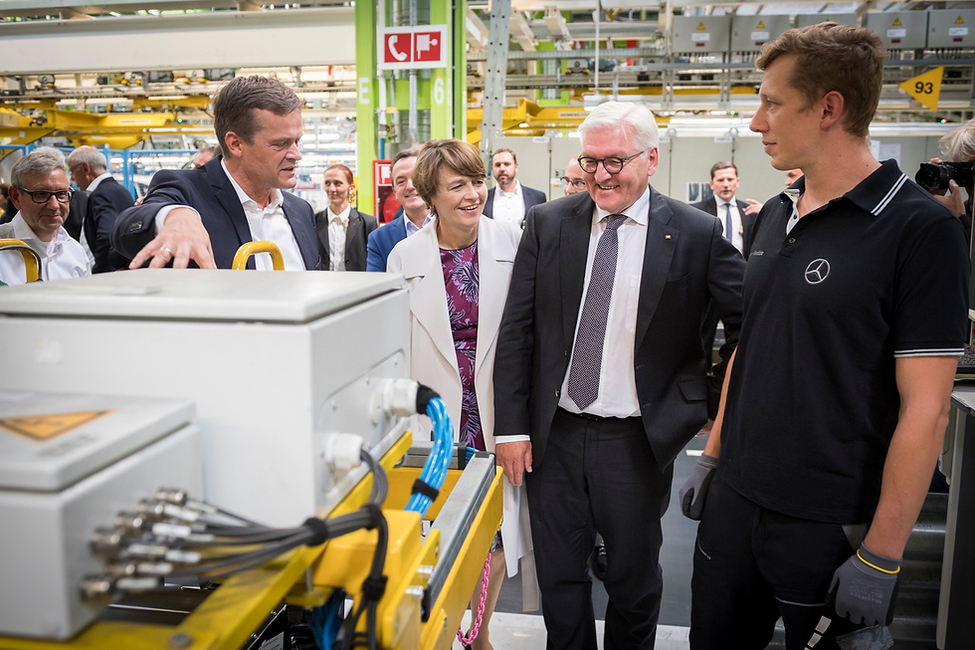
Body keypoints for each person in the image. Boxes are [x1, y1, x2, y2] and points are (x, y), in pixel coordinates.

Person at [681, 23, 969, 649]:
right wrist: (714, 453)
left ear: (830, 107)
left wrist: (883, 554)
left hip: (831, 523)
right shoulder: (776, 214)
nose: (758, 122)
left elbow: (928, 408)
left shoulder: (918, 231)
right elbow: (748, 345)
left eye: (773, 102)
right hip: (735, 502)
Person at [493, 101, 745, 650]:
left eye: (615, 161)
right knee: (559, 576)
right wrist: (511, 428)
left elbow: (749, 321)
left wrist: (701, 398)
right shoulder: (550, 221)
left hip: (636, 439)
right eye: (590, 161)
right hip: (553, 434)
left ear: (651, 159)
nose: (600, 175)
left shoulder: (695, 233)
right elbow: (518, 330)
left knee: (632, 580)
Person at [386, 139, 534, 650]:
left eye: (477, 182)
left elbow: (530, 334)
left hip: (498, 409)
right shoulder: (404, 256)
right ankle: (445, 628)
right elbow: (394, 349)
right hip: (438, 416)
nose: (473, 194)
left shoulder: (513, 242)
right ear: (429, 195)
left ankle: (483, 632)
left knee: (492, 529)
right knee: (441, 528)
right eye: (458, 186)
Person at [110, 75, 320, 271]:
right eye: (280, 144)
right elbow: (123, 229)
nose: (296, 154)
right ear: (236, 144)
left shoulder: (301, 211)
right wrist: (173, 215)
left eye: (296, 141)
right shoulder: (188, 193)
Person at [0, 148, 90, 285]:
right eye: (41, 194)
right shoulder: (3, 250)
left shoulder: (75, 252)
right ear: (16, 197)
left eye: (61, 194)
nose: (54, 205)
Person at [67, 146, 134, 273]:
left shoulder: (100, 194)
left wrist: (100, 271)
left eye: (72, 171)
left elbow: (106, 236)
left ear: (85, 168)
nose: (72, 178)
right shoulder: (121, 191)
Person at [366, 148, 433, 272]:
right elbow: (377, 287)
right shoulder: (379, 239)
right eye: (401, 181)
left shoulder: (454, 227)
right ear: (394, 191)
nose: (410, 186)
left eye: (416, 178)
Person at [314, 164, 377, 271]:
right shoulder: (313, 222)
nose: (332, 189)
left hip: (357, 285)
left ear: (351, 188)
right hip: (323, 285)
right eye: (327, 183)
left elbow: (373, 261)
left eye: (337, 183)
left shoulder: (367, 223)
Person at [691, 161, 756, 257]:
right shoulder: (697, 212)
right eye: (721, 180)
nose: (726, 184)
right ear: (712, 184)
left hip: (743, 269)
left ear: (737, 182)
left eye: (730, 179)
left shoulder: (750, 212)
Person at [928, 118, 975, 243]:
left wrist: (959, 220)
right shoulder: (965, 211)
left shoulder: (961, 214)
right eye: (968, 169)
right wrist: (927, 208)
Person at [482, 148, 547, 225]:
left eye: (507, 164)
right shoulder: (484, 198)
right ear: (492, 168)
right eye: (497, 165)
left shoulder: (537, 197)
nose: (502, 169)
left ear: (516, 167)